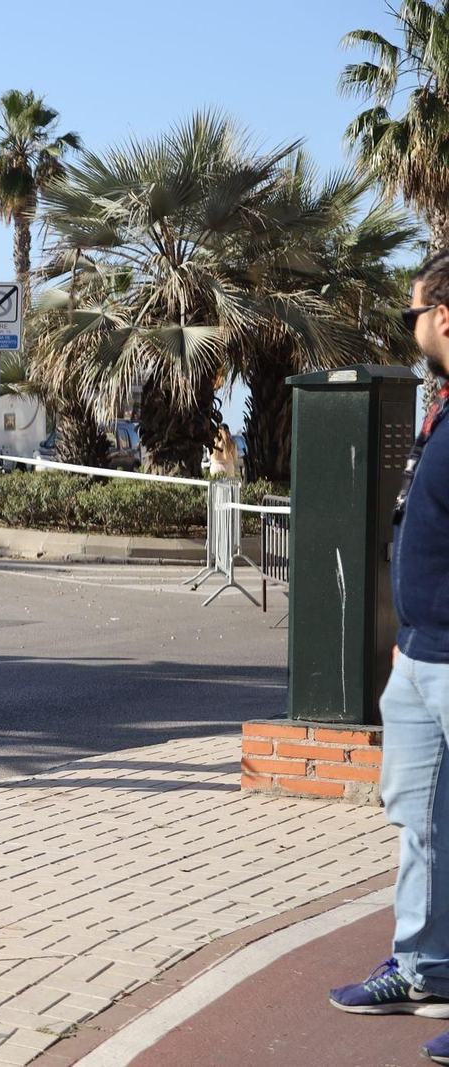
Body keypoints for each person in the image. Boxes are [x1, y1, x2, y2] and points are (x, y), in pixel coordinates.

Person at [330, 252, 449, 1067]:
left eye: (411, 315)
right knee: (421, 822)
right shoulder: (443, 404)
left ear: (443, 316)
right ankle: (423, 967)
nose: (408, 329)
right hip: (420, 656)